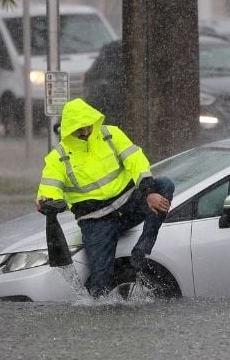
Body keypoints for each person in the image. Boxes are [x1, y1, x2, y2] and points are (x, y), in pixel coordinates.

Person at [35, 98, 174, 297]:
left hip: (129, 206)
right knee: (100, 286)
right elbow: (49, 187)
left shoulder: (111, 134)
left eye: (87, 127)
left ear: (94, 121)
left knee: (165, 184)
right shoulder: (58, 156)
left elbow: (136, 161)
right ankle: (101, 318)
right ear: (68, 130)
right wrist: (46, 201)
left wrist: (149, 191)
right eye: (78, 129)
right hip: (96, 221)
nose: (84, 132)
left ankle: (143, 247)